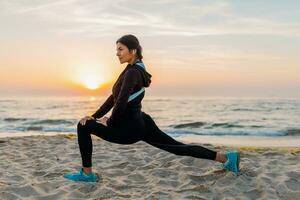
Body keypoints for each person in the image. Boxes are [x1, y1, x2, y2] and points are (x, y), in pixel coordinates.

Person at [64, 34, 240, 182]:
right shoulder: (135, 69)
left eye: (120, 49)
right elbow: (114, 98)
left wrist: (108, 122)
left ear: (132, 51)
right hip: (141, 121)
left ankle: (88, 175)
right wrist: (94, 116)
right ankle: (226, 158)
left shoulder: (132, 72)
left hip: (129, 129)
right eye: (116, 49)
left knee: (82, 126)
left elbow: (121, 102)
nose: (116, 53)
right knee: (176, 147)